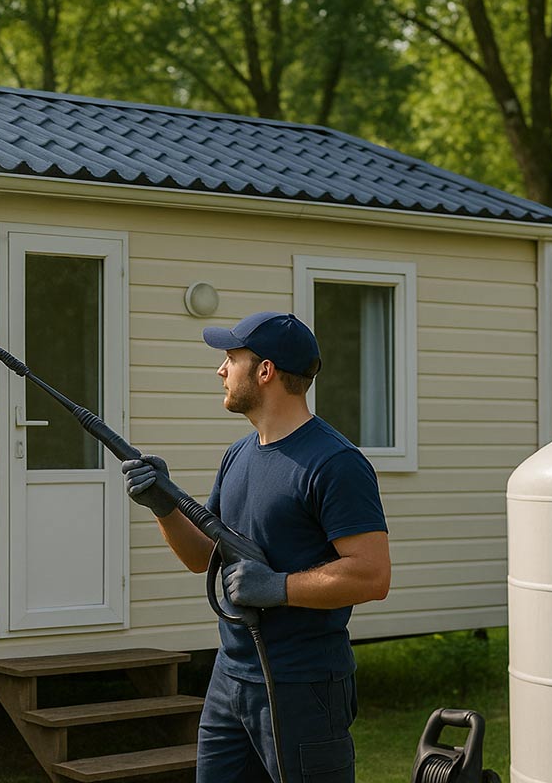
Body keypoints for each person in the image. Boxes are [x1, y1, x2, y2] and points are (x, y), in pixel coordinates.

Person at [122, 311, 390, 783]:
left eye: (231, 358)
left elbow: (372, 574)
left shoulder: (335, 463)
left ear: (265, 371)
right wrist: (164, 508)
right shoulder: (238, 455)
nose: (220, 369)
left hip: (304, 685)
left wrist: (279, 587)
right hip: (230, 676)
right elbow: (203, 557)